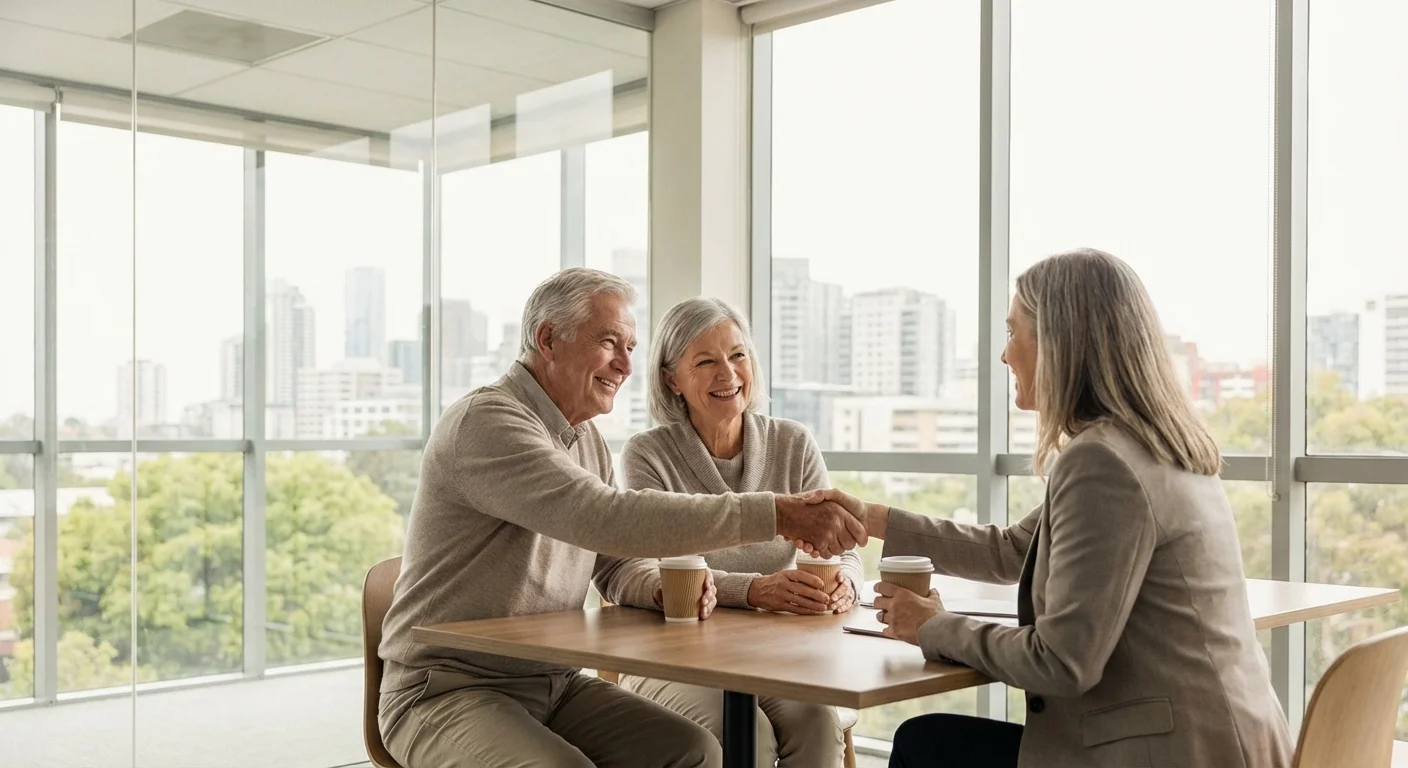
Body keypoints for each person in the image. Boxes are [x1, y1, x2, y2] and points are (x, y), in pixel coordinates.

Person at [377, 269, 866, 768]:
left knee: (693, 751)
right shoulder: (487, 423)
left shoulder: (584, 438)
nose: (626, 364)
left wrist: (657, 587)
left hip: (557, 683)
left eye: (631, 346)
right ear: (547, 339)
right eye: (610, 342)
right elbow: (602, 518)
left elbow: (612, 563)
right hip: (448, 689)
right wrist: (776, 514)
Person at [833, 249, 1294, 767]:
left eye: (1013, 333)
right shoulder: (1152, 444)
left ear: (1058, 344)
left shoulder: (1103, 464)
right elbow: (1011, 551)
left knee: (929, 748)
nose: (1005, 356)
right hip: (1223, 740)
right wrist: (868, 519)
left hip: (1169, 753)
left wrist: (932, 625)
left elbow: (1061, 663)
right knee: (933, 742)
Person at [605, 297, 861, 767]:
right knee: (747, 735)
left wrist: (846, 582)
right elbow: (646, 569)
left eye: (737, 355)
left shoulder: (793, 443)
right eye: (705, 361)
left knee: (818, 724)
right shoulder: (647, 455)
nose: (728, 374)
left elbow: (842, 549)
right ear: (671, 379)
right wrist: (756, 590)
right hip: (673, 656)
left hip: (776, 654)